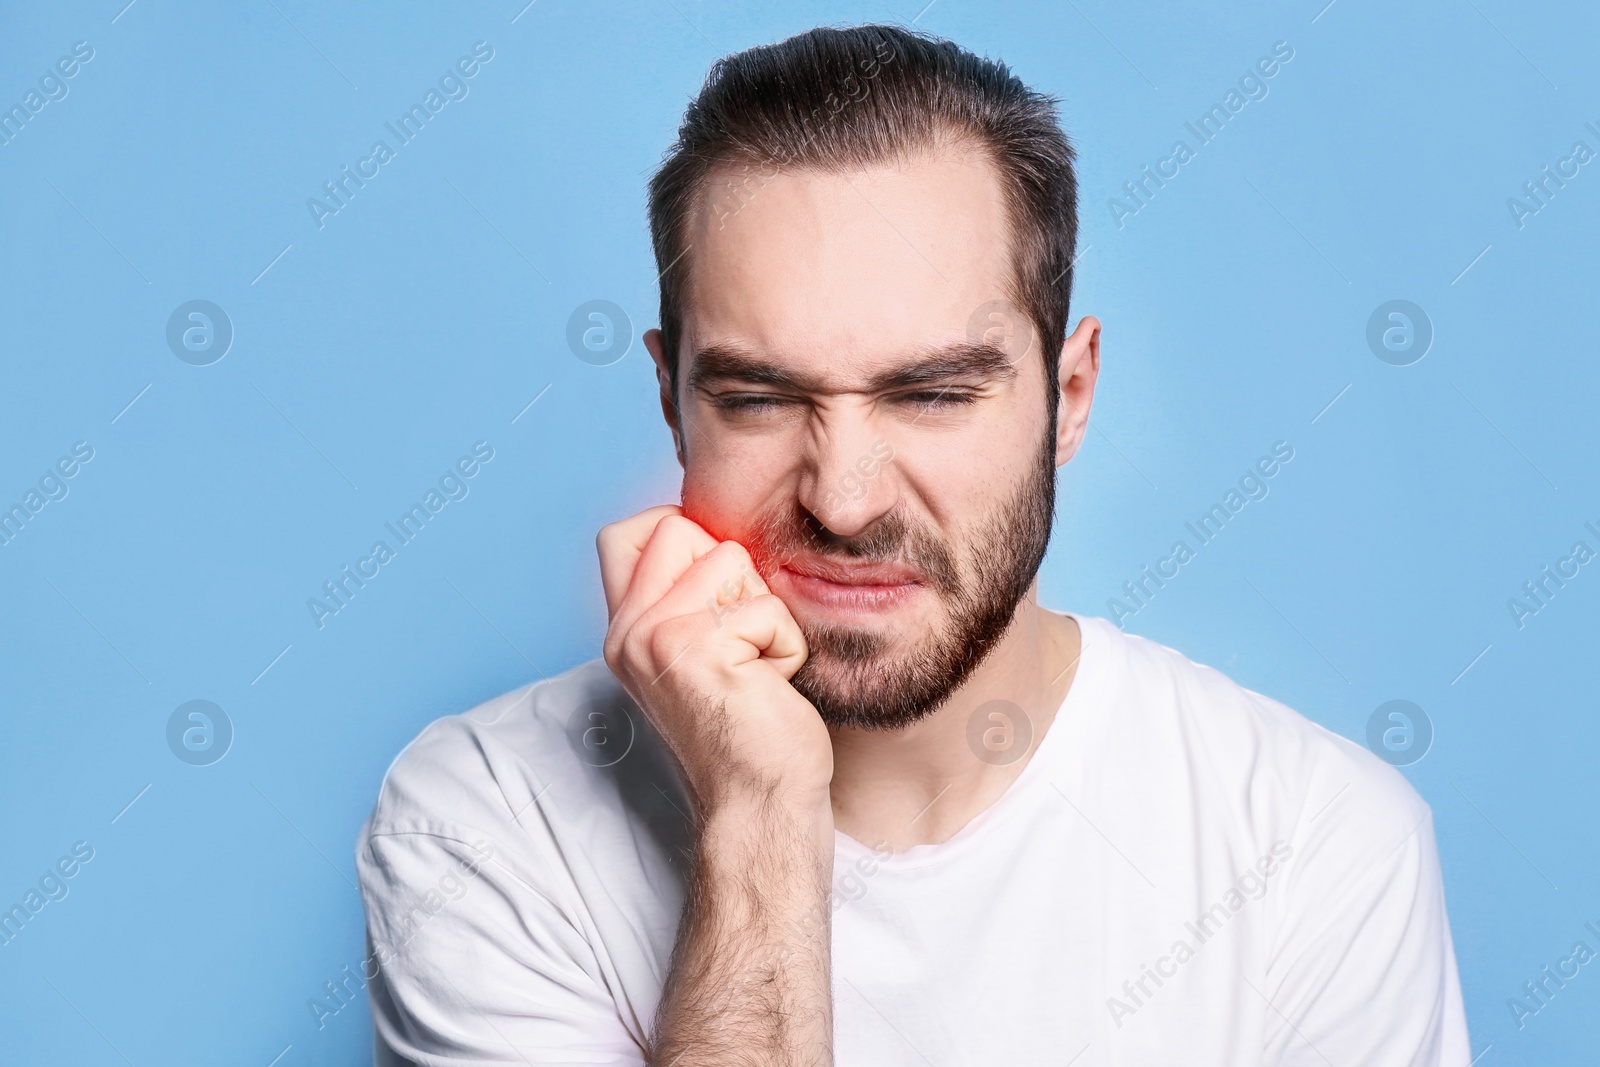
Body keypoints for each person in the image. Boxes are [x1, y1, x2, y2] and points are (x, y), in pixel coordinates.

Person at [356, 24, 1469, 1066]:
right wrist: (760, 814)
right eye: (755, 396)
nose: (843, 499)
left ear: (1069, 395)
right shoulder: (488, 820)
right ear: (669, 396)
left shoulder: (1317, 849)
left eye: (931, 393)